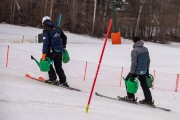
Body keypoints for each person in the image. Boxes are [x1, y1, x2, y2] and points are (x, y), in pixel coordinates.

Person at [122, 36, 153, 105]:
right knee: (144, 85)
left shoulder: (134, 50)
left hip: (136, 71)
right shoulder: (145, 49)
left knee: (128, 80)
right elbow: (148, 61)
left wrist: (132, 73)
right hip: (144, 71)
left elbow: (134, 63)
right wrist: (147, 70)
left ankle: (130, 98)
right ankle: (148, 100)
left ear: (134, 41)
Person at [41, 16, 69, 87]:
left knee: (47, 63)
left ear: (43, 23)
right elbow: (64, 37)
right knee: (58, 66)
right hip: (60, 50)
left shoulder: (46, 30)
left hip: (52, 50)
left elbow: (46, 43)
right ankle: (63, 81)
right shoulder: (57, 28)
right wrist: (64, 46)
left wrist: (44, 53)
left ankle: (53, 79)